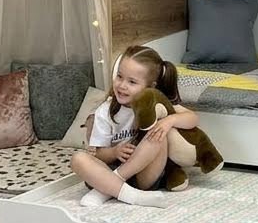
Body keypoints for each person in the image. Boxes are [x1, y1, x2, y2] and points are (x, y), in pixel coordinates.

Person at [70, 44, 200, 208]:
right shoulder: (105, 111)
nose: (122, 85)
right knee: (78, 159)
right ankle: (132, 195)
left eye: (132, 82)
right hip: (109, 171)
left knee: (159, 132)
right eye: (119, 76)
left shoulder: (156, 104)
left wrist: (169, 121)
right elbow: (99, 155)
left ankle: (108, 189)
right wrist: (114, 152)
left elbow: (192, 118)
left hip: (144, 175)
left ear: (150, 87)